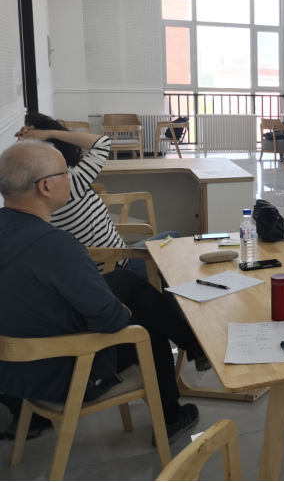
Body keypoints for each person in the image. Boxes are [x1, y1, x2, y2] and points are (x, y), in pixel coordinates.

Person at [0, 141, 207, 444]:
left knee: (125, 279)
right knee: (145, 327)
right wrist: (122, 312)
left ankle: (192, 345)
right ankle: (171, 416)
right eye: (66, 172)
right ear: (45, 186)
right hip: (57, 371)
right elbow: (110, 321)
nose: (71, 177)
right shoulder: (54, 245)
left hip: (10, 369)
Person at [15, 113, 180, 277]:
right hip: (116, 265)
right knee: (174, 239)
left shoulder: (32, 193)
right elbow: (102, 143)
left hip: (90, 269)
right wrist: (50, 133)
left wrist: (29, 140)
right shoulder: (70, 183)